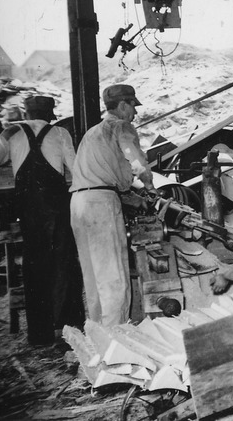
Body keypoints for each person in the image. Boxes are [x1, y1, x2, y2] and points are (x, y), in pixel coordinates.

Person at [0, 95, 84, 345]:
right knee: (64, 263)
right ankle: (67, 329)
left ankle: (39, 334)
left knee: (34, 264)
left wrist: (4, 137)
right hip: (56, 206)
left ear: (26, 114)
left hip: (28, 207)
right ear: (50, 115)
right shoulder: (59, 133)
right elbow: (76, 168)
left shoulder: (12, 133)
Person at [70, 84, 155, 326]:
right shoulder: (121, 126)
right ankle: (117, 339)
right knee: (114, 274)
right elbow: (135, 159)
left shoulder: (93, 132)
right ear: (123, 105)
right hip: (100, 206)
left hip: (79, 203)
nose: (135, 114)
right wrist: (150, 188)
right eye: (132, 107)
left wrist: (134, 198)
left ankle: (98, 335)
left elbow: (106, 177)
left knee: (94, 276)